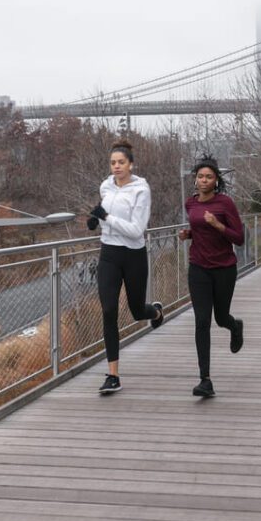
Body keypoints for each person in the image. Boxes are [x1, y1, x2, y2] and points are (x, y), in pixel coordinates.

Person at [86, 139, 164, 394]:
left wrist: (106, 217)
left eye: (121, 162)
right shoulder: (106, 186)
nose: (116, 167)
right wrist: (95, 221)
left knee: (136, 310)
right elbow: (106, 214)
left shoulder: (141, 190)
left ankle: (155, 313)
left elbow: (135, 230)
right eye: (112, 163)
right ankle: (113, 375)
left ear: (131, 164)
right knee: (108, 311)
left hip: (133, 255)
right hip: (108, 253)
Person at [178, 155, 245, 397]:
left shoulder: (225, 203)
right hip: (198, 268)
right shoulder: (191, 203)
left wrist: (217, 225)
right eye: (200, 177)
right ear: (195, 180)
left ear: (216, 181)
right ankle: (205, 379)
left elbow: (239, 237)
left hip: (224, 268)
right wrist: (189, 234)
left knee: (221, 317)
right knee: (202, 321)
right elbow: (199, 231)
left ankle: (234, 326)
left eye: (209, 177)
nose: (203, 180)